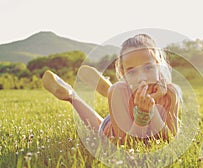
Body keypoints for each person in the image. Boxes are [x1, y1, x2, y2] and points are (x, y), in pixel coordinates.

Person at [42, 34, 181, 145]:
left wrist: (153, 107)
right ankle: (71, 95)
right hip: (115, 128)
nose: (141, 78)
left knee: (117, 92)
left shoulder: (170, 93)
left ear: (158, 65)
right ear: (123, 72)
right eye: (132, 72)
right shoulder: (119, 91)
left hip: (123, 105)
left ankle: (109, 91)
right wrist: (143, 115)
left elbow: (170, 139)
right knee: (97, 125)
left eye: (148, 67)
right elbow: (126, 144)